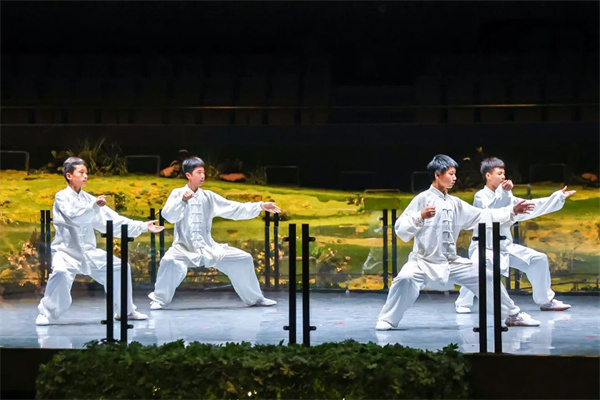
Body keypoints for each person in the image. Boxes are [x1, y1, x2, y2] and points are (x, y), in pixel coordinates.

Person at [376, 154, 538, 331]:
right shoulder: (422, 199)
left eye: (455, 174)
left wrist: (511, 211)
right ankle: (387, 319)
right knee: (405, 278)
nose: (454, 178)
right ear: (437, 175)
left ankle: (511, 315)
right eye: (451, 174)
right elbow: (401, 228)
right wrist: (420, 216)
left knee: (486, 276)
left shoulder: (455, 203)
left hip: (451, 261)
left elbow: (482, 215)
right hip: (423, 261)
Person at [36, 157, 164, 325]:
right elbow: (74, 217)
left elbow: (112, 220)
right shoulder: (62, 197)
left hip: (88, 251)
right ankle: (46, 313)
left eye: (86, 173)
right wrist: (94, 206)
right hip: (66, 251)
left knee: (119, 267)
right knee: (60, 273)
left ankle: (125, 311)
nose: (85, 176)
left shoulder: (90, 199)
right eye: (81, 172)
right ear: (69, 175)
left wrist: (142, 226)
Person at [148, 156, 280, 310]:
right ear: (188, 175)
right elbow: (169, 216)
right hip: (183, 248)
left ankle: (255, 298)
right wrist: (182, 201)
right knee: (169, 261)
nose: (202, 176)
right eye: (199, 172)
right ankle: (159, 299)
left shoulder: (208, 196)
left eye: (203, 172)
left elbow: (233, 208)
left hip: (209, 248)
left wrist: (260, 206)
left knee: (243, 258)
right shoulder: (177, 193)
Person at [454, 157, 575, 314]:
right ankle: (463, 302)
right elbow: (492, 212)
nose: (503, 177)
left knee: (538, 259)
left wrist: (557, 197)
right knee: (477, 269)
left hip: (505, 246)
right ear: (488, 175)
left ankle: (545, 300)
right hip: (484, 246)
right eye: (499, 173)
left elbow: (531, 206)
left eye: (504, 173)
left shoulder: (508, 196)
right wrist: (505, 193)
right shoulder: (480, 196)